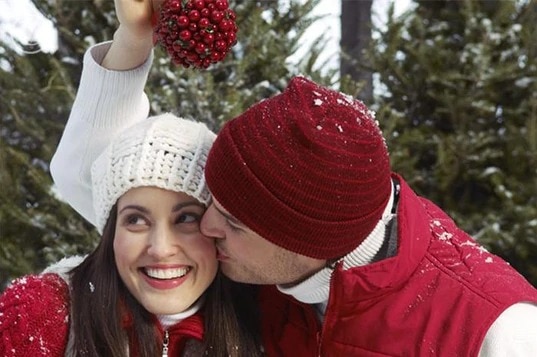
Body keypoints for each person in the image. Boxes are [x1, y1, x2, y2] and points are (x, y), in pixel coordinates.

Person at [46, 1, 537, 357]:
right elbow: (94, 178)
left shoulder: (497, 330)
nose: (207, 226)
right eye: (210, 201)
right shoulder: (252, 241)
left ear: (306, 245)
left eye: (232, 222)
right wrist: (134, 41)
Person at [0, 1, 261, 356]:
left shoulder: (273, 321)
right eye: (135, 219)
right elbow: (79, 171)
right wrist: (133, 38)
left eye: (186, 218)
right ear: (110, 231)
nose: (160, 248)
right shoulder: (47, 315)